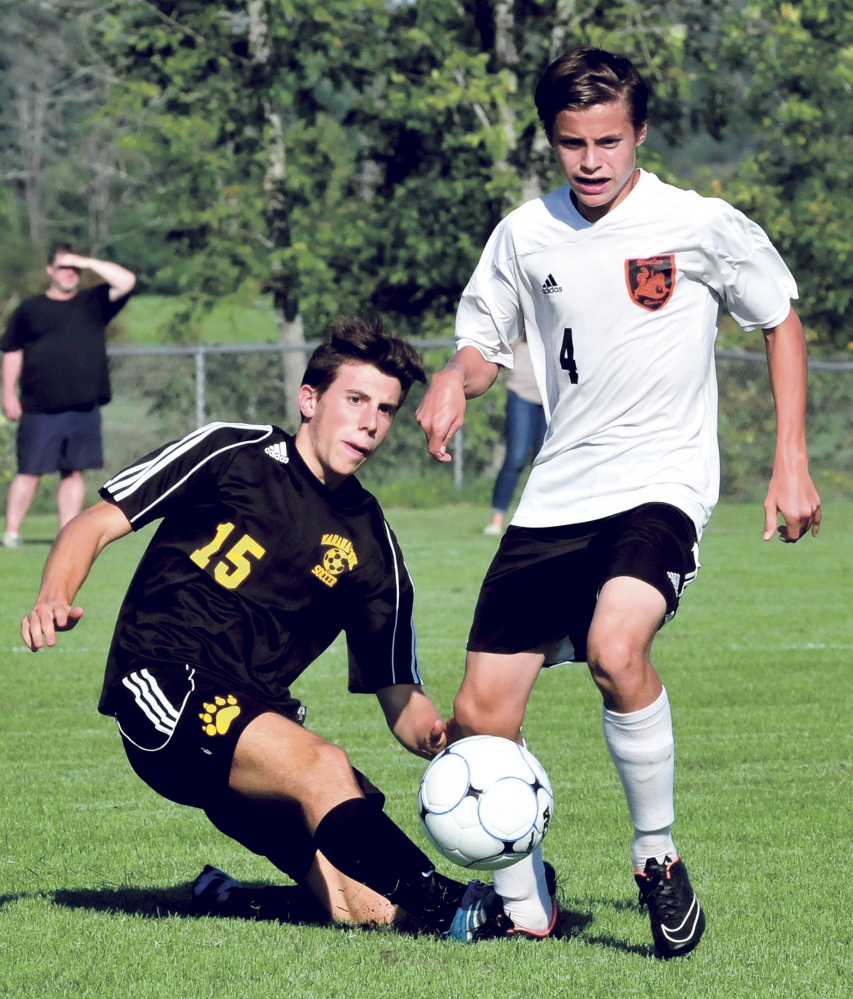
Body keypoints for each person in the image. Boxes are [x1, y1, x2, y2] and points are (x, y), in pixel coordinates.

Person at [416, 47, 821, 958]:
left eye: (608, 140)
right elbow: (483, 339)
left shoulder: (696, 222)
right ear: (550, 140)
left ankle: (656, 856)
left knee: (614, 645)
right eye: (571, 143)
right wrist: (454, 377)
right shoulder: (524, 233)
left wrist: (787, 460)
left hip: (659, 485)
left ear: (639, 133)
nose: (591, 160)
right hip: (557, 492)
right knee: (480, 715)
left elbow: (777, 317)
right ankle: (526, 903)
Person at [20, 317, 518, 943]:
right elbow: (93, 523)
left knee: (364, 906)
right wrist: (53, 597)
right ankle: (452, 903)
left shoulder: (371, 544)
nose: (370, 422)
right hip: (162, 680)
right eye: (356, 400)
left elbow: (401, 701)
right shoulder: (235, 451)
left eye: (386, 410)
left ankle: (225, 896)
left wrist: (453, 739)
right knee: (323, 766)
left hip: (259, 719)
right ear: (309, 400)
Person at [1, 243, 136, 548]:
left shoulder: (94, 302)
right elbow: (12, 351)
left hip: (84, 407)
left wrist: (84, 260)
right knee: (29, 471)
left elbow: (126, 281)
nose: (70, 273)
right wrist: (8, 393)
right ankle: (11, 532)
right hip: (39, 407)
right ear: (50, 270)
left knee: (73, 473)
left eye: (75, 268)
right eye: (63, 266)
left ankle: (66, 533)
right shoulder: (30, 309)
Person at [483, 335, 546, 536]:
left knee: (544, 461)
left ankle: (541, 519)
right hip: (520, 393)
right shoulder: (522, 326)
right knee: (516, 457)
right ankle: (497, 519)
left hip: (550, 397)